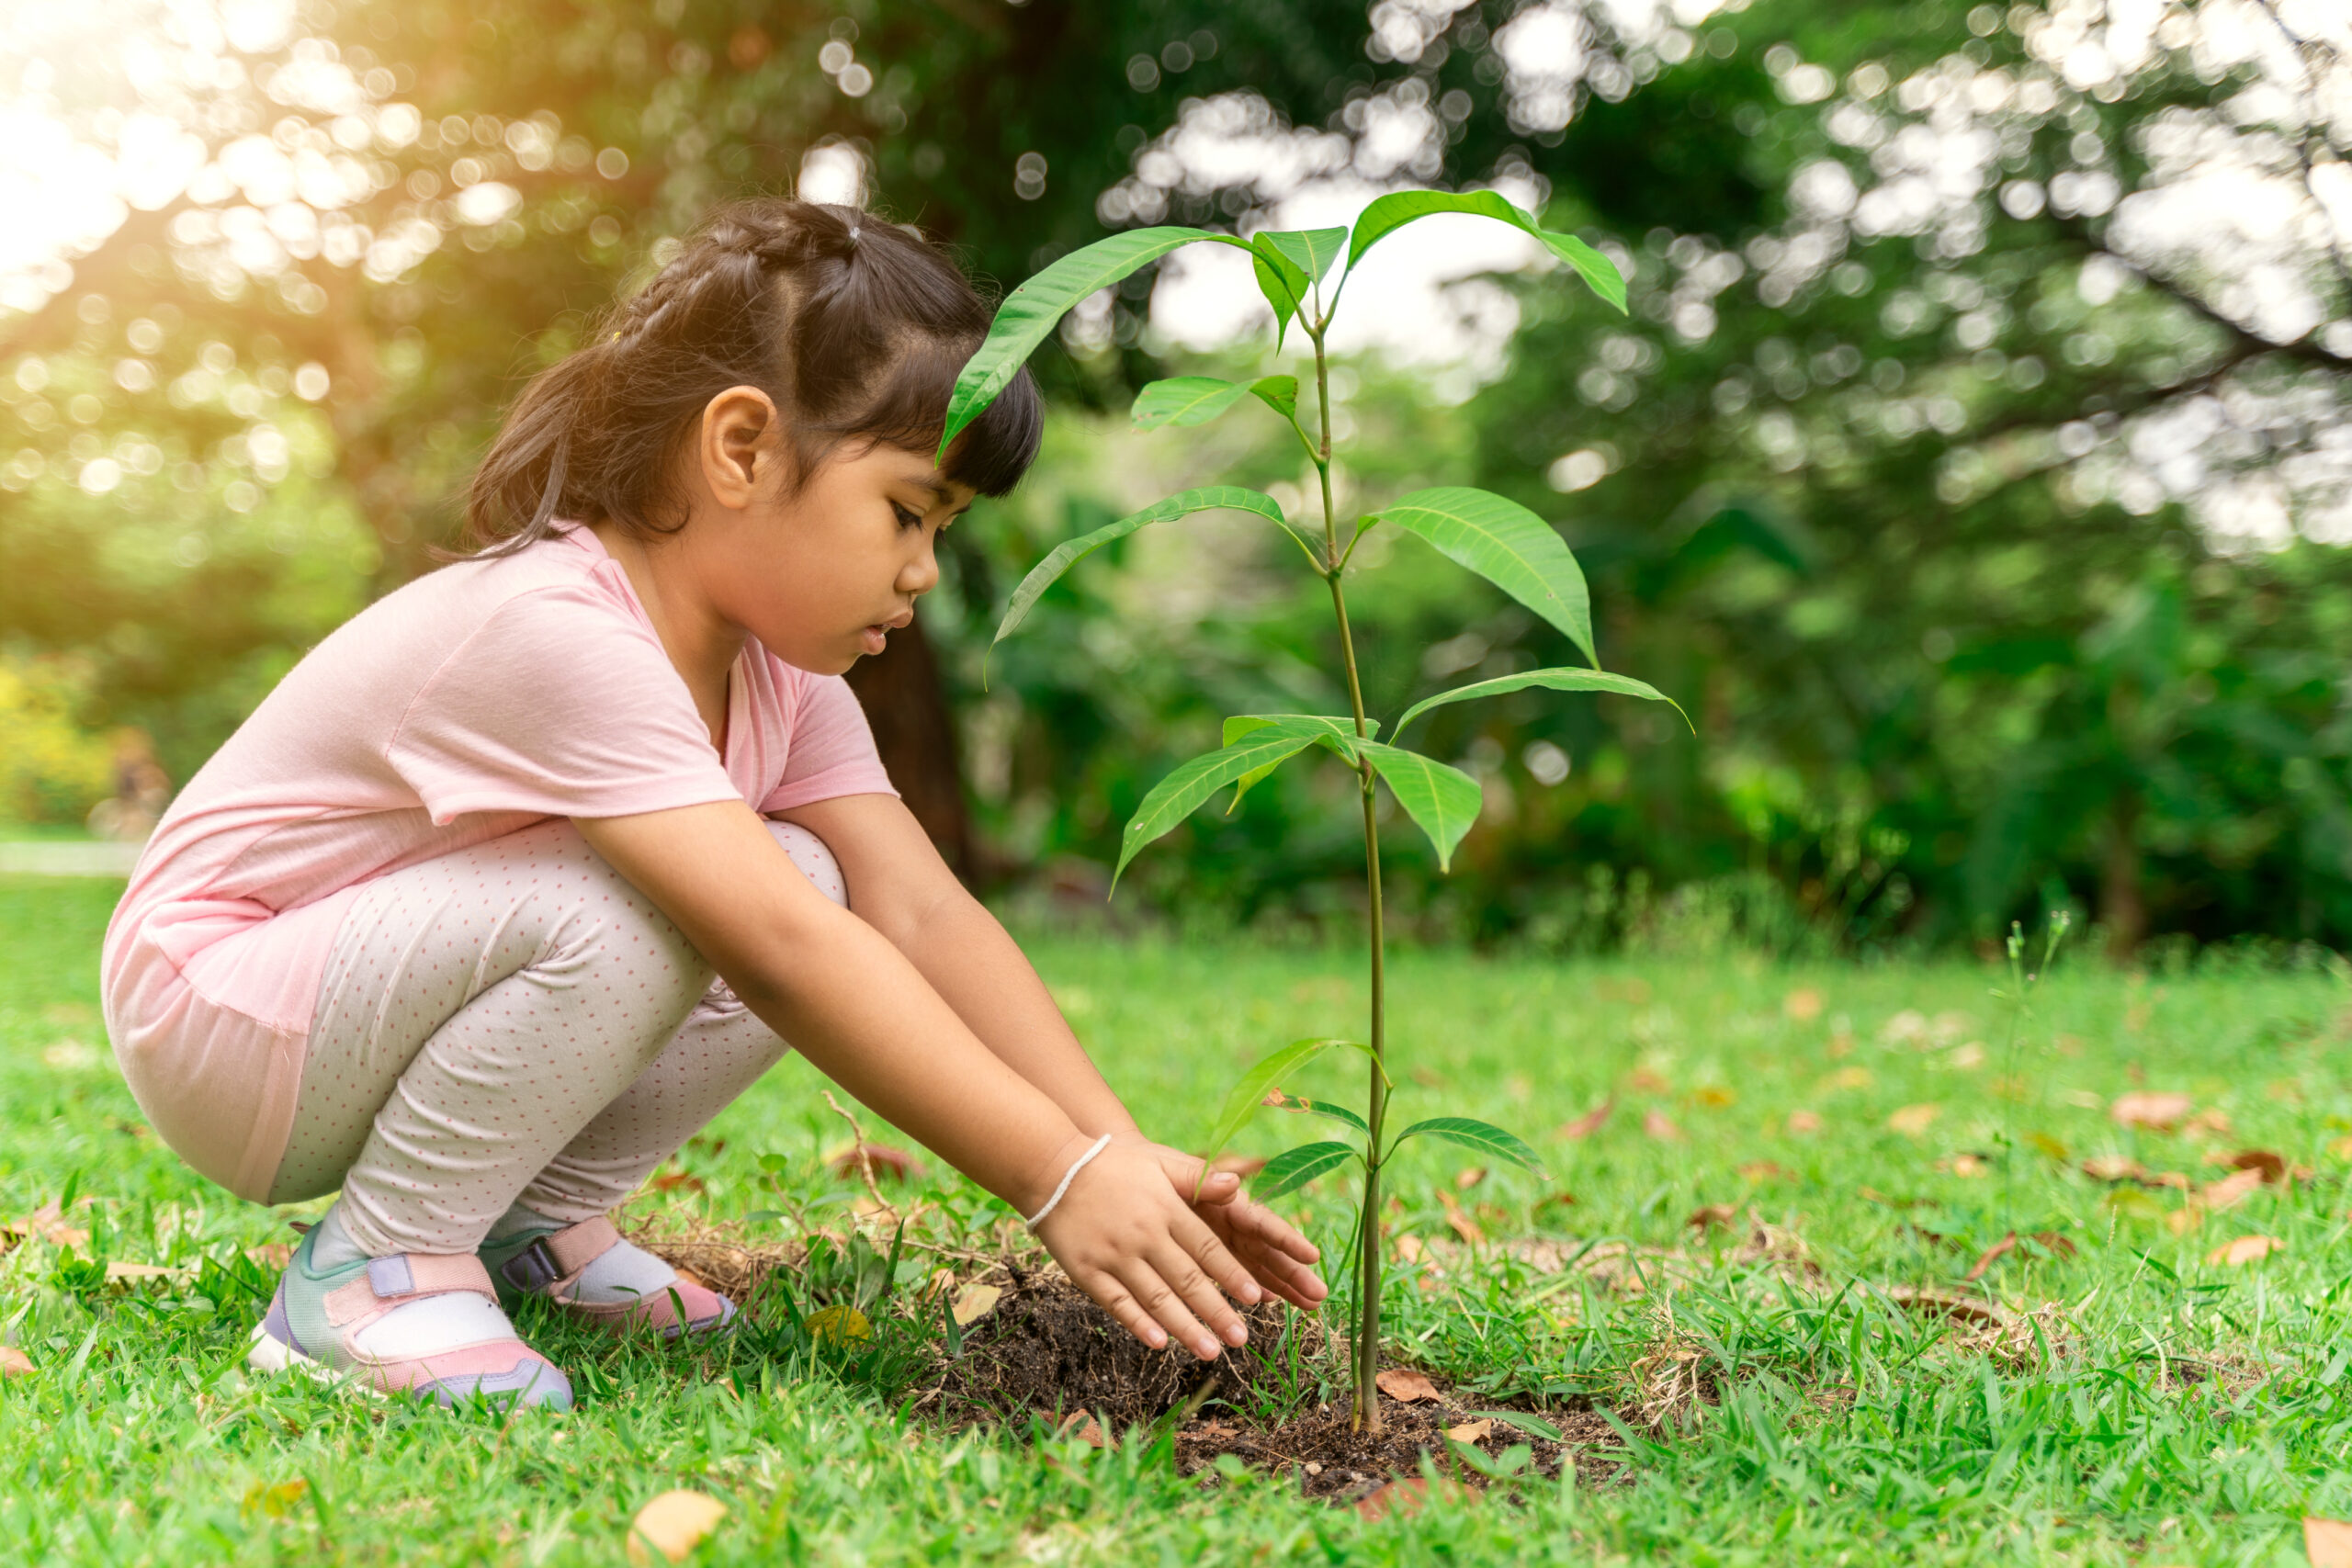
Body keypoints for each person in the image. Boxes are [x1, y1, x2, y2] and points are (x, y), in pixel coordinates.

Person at [100, 198, 1325, 1412]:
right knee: (690, 906)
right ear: (740, 448)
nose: (922, 572)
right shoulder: (561, 628)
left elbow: (921, 916)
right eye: (906, 512)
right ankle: (370, 1273)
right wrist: (1053, 1178)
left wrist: (1110, 1149)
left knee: (813, 875)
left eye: (942, 531)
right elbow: (787, 958)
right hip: (226, 1011)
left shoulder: (782, 676)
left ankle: (531, 1221)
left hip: (352, 1006)